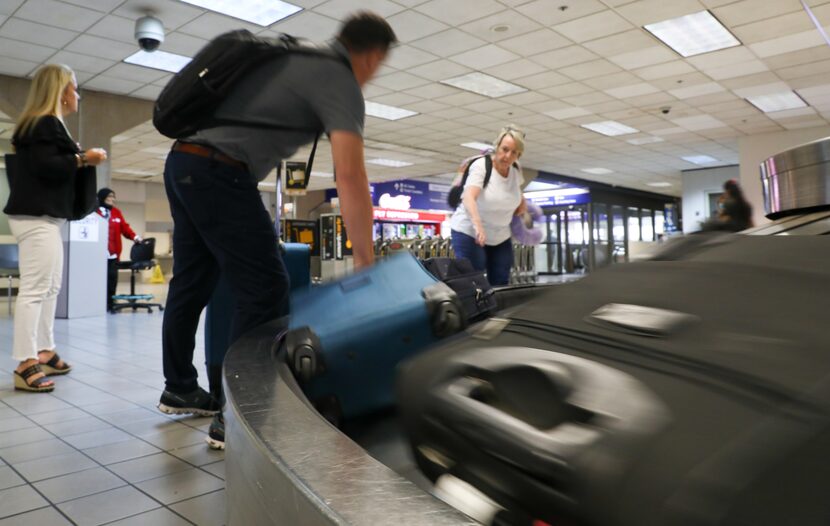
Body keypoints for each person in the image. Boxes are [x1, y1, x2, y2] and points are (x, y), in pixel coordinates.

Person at [157, 11, 396, 450]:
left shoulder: (296, 55)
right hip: (219, 172)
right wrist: (365, 259)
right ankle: (239, 415)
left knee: (192, 281)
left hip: (183, 163)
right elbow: (350, 174)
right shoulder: (338, 77)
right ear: (373, 55)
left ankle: (179, 385)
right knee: (266, 287)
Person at [2, 64, 107, 392]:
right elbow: (46, 167)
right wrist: (83, 158)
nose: (78, 94)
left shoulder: (47, 125)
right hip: (36, 218)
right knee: (35, 290)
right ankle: (25, 362)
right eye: (74, 88)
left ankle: (45, 351)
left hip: (45, 217)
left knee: (50, 288)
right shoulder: (44, 123)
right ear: (60, 91)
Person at [450, 125, 528, 286]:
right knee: (474, 282)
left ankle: (497, 312)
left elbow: (518, 192)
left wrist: (522, 206)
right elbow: (469, 197)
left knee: (500, 281)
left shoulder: (515, 169)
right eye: (505, 149)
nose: (508, 156)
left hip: (500, 235)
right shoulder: (481, 166)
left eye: (514, 152)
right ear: (497, 146)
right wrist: (478, 226)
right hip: (470, 232)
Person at [95, 188, 142, 312]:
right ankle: (97, 303)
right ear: (102, 198)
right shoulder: (94, 212)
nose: (112, 199)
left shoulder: (116, 212)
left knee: (112, 280)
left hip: (113, 254)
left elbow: (124, 228)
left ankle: (110, 304)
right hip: (97, 255)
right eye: (109, 197)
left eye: (113, 197)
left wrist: (135, 237)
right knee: (98, 280)